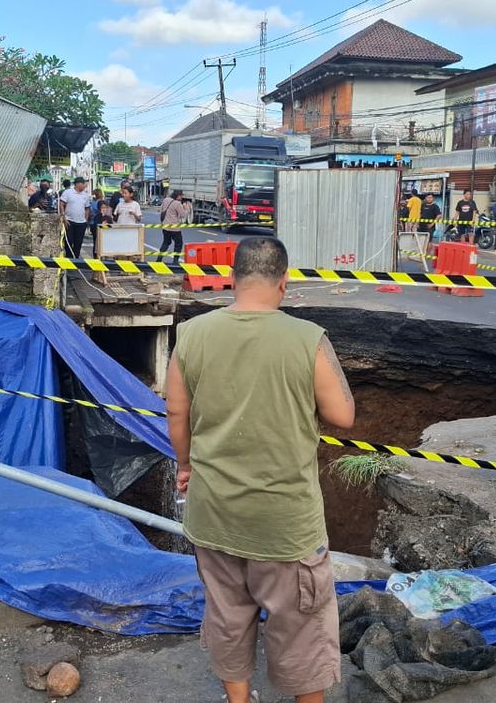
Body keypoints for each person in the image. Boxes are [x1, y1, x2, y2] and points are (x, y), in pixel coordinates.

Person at [167, 237, 355, 703]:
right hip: (285, 523)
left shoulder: (192, 335)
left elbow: (176, 415)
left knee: (228, 615)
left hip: (214, 513)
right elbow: (343, 416)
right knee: (301, 627)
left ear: (232, 279)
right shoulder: (306, 338)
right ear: (284, 282)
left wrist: (186, 466)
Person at [60, 177, 91, 258]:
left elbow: (87, 208)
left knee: (78, 243)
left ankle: (75, 260)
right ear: (78, 184)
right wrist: (63, 217)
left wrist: (86, 220)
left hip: (81, 223)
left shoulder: (85, 195)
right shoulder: (67, 192)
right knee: (69, 241)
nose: (85, 186)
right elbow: (62, 204)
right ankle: (69, 259)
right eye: (84, 184)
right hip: (69, 221)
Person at [160, 190, 187, 265]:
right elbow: (183, 215)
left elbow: (161, 209)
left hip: (165, 226)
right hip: (174, 228)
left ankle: (159, 258)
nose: (182, 197)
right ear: (178, 195)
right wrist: (185, 207)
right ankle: (175, 261)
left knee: (166, 242)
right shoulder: (177, 204)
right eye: (181, 196)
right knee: (179, 244)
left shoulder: (166, 200)